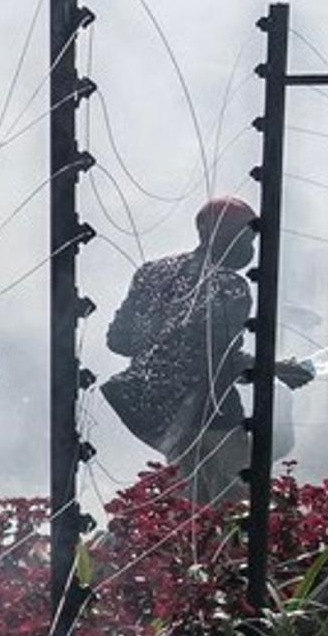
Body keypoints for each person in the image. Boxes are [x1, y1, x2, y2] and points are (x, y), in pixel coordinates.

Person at [104, 196, 303, 505]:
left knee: (187, 519)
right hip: (214, 418)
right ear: (226, 235)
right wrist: (279, 369)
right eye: (247, 237)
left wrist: (165, 344)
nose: (250, 247)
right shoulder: (229, 284)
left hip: (164, 419)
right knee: (239, 515)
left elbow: (118, 341)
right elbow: (222, 361)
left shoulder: (152, 273)